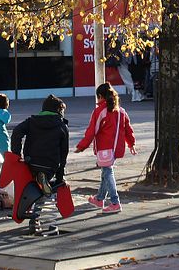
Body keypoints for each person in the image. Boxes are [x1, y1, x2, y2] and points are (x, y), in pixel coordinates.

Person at [10, 94, 69, 235]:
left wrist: (17, 154)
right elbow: (64, 153)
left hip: (32, 161)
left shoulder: (32, 121)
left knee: (38, 187)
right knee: (47, 191)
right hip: (50, 164)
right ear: (59, 111)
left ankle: (34, 216)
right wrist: (60, 176)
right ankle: (42, 221)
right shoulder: (61, 126)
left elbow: (17, 132)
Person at [75, 83, 137, 213]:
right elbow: (128, 130)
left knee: (108, 172)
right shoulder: (121, 111)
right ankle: (99, 198)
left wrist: (82, 146)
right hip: (117, 148)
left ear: (100, 96)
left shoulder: (100, 111)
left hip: (105, 149)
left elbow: (92, 131)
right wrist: (131, 144)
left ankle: (115, 202)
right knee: (105, 172)